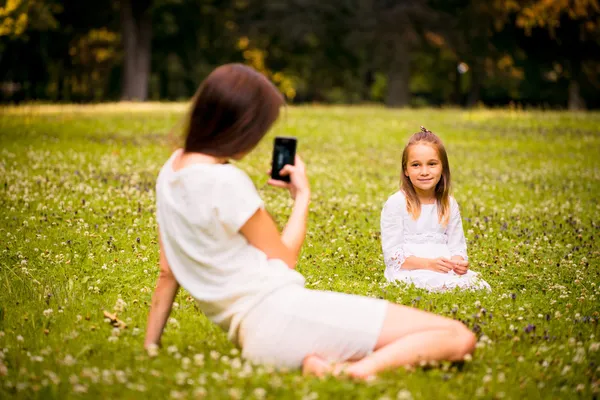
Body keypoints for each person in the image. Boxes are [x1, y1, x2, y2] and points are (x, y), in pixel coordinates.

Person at [144, 64, 476, 379]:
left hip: (252, 335)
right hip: (285, 314)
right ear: (240, 124)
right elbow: (285, 258)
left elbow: (167, 270)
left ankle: (332, 363)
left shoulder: (171, 170)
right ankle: (352, 372)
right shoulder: (225, 181)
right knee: (456, 336)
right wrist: (302, 197)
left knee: (389, 333)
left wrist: (150, 347)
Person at [381, 127, 491, 292]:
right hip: (410, 269)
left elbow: (457, 245)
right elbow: (393, 255)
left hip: (444, 268)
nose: (424, 172)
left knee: (478, 286)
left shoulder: (449, 203)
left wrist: (458, 262)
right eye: (416, 165)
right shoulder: (396, 203)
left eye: (432, 164)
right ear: (406, 170)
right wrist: (428, 264)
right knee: (425, 284)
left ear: (442, 168)